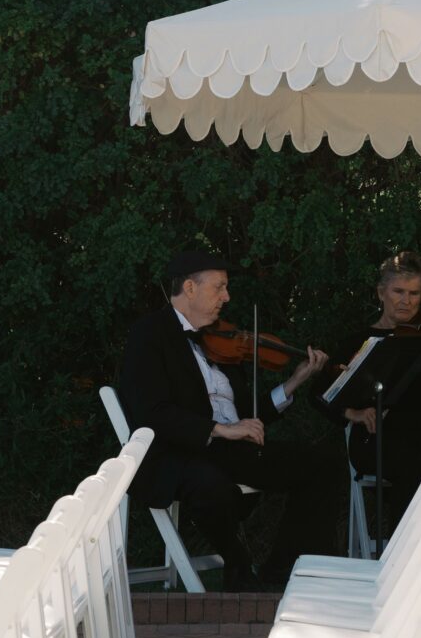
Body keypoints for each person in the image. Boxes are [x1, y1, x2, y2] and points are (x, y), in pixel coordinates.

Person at [117, 249, 339, 589]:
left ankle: (284, 571)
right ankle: (237, 563)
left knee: (322, 464)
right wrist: (221, 430)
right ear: (190, 288)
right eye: (219, 287)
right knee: (212, 487)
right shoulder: (150, 334)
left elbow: (245, 418)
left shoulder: (221, 341)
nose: (227, 297)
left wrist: (295, 380)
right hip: (178, 452)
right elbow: (152, 412)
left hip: (230, 452)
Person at [336, 251, 421, 533]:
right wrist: (354, 412)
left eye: (414, 293)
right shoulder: (358, 341)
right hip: (375, 440)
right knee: (412, 464)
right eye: (398, 291)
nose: (406, 301)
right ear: (381, 292)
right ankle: (404, 555)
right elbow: (320, 395)